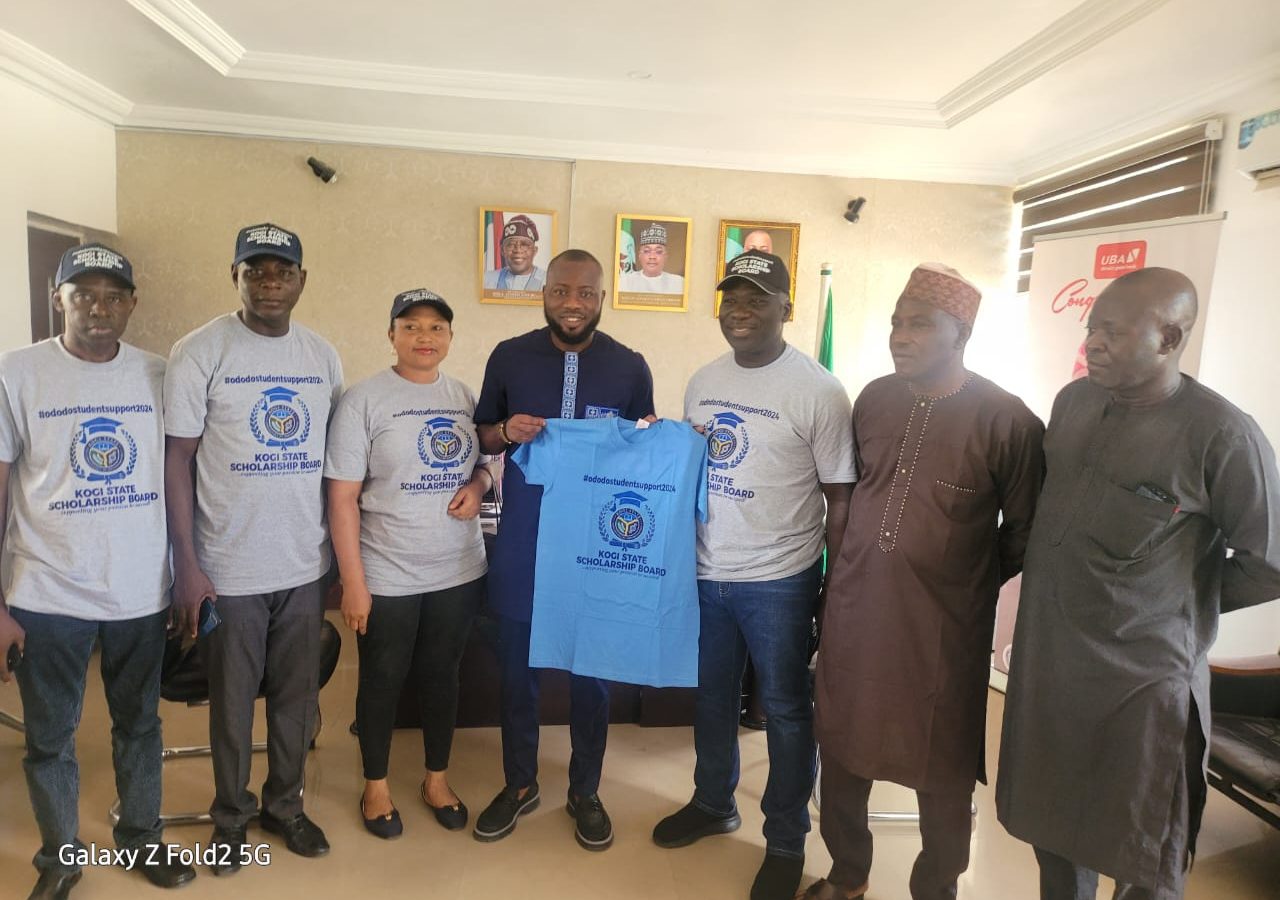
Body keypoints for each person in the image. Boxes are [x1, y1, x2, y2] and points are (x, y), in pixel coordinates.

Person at [997, 266, 1280, 900]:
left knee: (1144, 849)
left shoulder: (1223, 434)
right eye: (1091, 329)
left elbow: (1270, 562)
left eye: (1113, 332)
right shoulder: (1074, 403)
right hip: (1052, 669)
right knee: (1052, 827)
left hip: (1143, 686)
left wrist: (1172, 603)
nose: (1093, 344)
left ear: (1169, 338)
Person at [803, 263, 1045, 900]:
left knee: (943, 764)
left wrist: (964, 577)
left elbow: (1025, 530)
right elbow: (856, 491)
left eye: (919, 324)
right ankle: (848, 873)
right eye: (896, 323)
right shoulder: (874, 398)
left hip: (944, 629)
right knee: (843, 747)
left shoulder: (1009, 421)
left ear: (961, 333)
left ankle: (937, 887)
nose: (900, 336)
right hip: (856, 609)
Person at [652, 249, 856, 900]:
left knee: (788, 712)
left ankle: (786, 841)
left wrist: (834, 587)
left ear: (785, 309)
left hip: (780, 579)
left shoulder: (819, 391)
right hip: (707, 571)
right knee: (712, 698)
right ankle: (714, 803)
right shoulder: (703, 380)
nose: (740, 311)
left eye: (756, 300)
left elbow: (841, 496)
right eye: (731, 299)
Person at [0, 244, 196, 899]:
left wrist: (185, 570)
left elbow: (180, 479)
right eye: (83, 294)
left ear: (132, 303)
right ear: (59, 299)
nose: (99, 308)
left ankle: (141, 839)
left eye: (113, 296)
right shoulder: (16, 373)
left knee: (140, 726)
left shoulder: (160, 374)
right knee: (50, 739)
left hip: (141, 592)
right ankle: (60, 859)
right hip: (45, 593)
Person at [164, 223, 343, 874]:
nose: (269, 282)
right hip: (228, 569)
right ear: (234, 277)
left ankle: (285, 807)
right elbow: (176, 461)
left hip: (302, 564)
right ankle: (231, 819)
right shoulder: (200, 351)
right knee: (233, 704)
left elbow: (334, 463)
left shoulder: (321, 356)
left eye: (282, 271)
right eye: (255, 271)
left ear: (302, 280)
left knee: (297, 699)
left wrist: (334, 559)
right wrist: (186, 565)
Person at [471, 249, 654, 851]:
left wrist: (670, 440)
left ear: (602, 298)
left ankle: (585, 790)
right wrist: (506, 432)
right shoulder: (509, 356)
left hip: (597, 545)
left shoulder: (629, 367)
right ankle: (520, 784)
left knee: (591, 677)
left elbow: (645, 446)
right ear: (543, 293)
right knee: (517, 672)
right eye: (560, 291)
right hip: (524, 539)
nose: (572, 303)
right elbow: (483, 433)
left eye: (585, 293)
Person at [324, 288, 493, 839]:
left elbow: (488, 462)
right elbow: (342, 498)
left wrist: (479, 485)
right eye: (411, 326)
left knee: (443, 677)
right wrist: (353, 584)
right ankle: (375, 786)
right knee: (382, 678)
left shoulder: (463, 396)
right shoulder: (363, 400)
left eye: (436, 327)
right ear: (391, 335)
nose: (425, 337)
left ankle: (435, 780)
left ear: (450, 337)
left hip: (458, 569)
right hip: (387, 571)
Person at [484, 215, 546, 292]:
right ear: (502, 250)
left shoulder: (547, 280)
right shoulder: (487, 280)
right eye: (511, 245)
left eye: (524, 245)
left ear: (534, 250)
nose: (518, 250)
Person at [619, 222, 685, 294]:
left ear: (666, 256)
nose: (652, 257)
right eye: (647, 251)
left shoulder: (679, 283)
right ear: (639, 256)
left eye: (658, 252)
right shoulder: (625, 282)